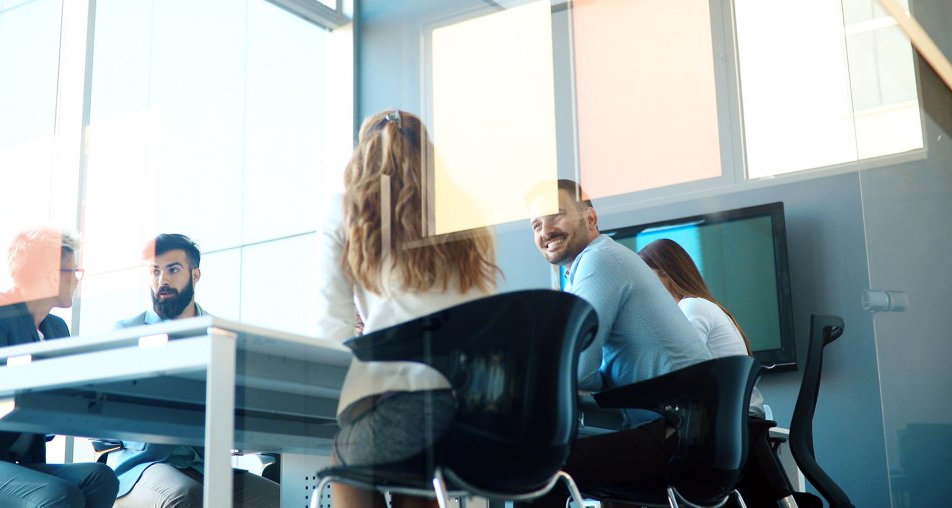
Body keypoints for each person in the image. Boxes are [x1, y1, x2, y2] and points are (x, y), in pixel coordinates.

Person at [310, 109, 499, 508]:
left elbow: (332, 327)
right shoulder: (467, 213)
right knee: (420, 472)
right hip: (485, 416)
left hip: (410, 408)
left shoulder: (347, 208)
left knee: (347, 456)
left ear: (362, 158)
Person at [524, 180, 712, 507]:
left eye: (555, 216)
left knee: (539, 469)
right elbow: (585, 372)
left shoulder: (600, 261)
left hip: (676, 434)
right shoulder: (602, 261)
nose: (545, 231)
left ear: (591, 220)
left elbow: (578, 370)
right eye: (536, 225)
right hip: (686, 429)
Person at [103, 234, 279, 508]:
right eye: (155, 271)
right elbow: (101, 416)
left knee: (282, 499)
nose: (163, 280)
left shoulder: (220, 334)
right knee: (184, 496)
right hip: (142, 466)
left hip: (205, 466)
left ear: (195, 275)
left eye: (173, 269)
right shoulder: (127, 333)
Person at [0, 227, 119, 508]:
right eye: (73, 272)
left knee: (100, 477)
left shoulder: (56, 328)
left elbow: (59, 402)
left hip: (18, 462)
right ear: (50, 274)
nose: (76, 280)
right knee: (58, 494)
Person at [638, 237, 765, 416]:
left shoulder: (692, 306)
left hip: (731, 423)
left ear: (665, 275)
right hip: (737, 422)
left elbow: (677, 368)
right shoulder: (704, 306)